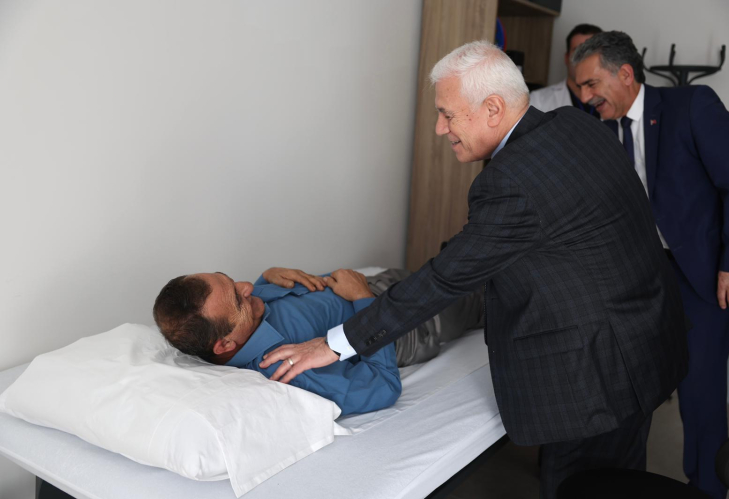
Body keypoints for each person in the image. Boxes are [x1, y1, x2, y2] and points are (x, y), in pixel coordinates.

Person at [259, 40, 690, 498]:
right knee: (623, 476)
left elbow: (444, 278)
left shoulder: (510, 180)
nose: (439, 128)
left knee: (581, 485)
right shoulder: (575, 125)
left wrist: (335, 343)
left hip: (598, 378)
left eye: (447, 114)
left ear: (493, 109)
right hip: (644, 342)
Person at [572, 31, 729, 499]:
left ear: (625, 74)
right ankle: (622, 483)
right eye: (580, 87)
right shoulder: (596, 128)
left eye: (591, 84)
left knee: (700, 394)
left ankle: (707, 490)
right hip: (636, 277)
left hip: (701, 277)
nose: (585, 97)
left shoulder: (691, 106)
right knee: (629, 388)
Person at [152, 267, 482, 416]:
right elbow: (383, 386)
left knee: (466, 266)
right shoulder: (286, 369)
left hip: (376, 283)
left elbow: (252, 298)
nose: (246, 286)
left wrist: (267, 277)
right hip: (409, 323)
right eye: (238, 298)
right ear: (225, 346)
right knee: (489, 296)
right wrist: (364, 300)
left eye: (230, 279)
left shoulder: (241, 317)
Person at [529, 23, 602, 114]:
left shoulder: (614, 101)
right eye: (578, 52)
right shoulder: (538, 101)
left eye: (591, 52)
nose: (584, 59)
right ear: (566, 58)